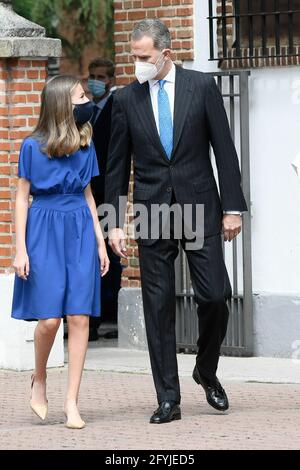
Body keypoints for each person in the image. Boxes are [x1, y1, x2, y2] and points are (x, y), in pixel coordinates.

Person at [105, 19, 248, 424]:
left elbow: (225, 151)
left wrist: (233, 209)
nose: (138, 64)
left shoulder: (201, 87)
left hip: (200, 207)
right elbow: (117, 165)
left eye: (144, 57)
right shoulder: (125, 99)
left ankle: (206, 369)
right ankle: (168, 396)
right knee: (158, 306)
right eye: (134, 57)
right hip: (152, 212)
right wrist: (115, 221)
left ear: (166, 53)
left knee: (216, 295)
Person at [11, 75, 110, 429]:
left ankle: (72, 402)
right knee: (50, 319)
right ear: (59, 104)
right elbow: (21, 197)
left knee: (79, 317)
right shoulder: (31, 146)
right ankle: (40, 377)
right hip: (43, 229)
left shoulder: (86, 145)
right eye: (81, 97)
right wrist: (19, 248)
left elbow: (87, 194)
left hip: (79, 228)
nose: (87, 102)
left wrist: (99, 240)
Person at [87, 58, 122, 341]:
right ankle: (95, 318)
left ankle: (108, 314)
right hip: (89, 193)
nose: (95, 81)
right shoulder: (87, 110)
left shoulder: (116, 107)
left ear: (110, 79)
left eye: (100, 76)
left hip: (107, 193)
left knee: (110, 252)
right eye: (92, 76)